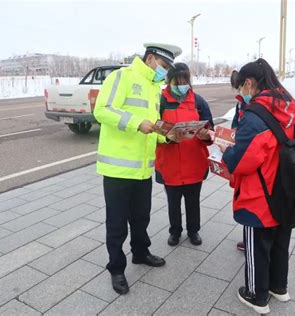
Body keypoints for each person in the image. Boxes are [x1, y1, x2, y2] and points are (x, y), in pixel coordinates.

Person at [219, 58, 295, 314]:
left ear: (249, 83)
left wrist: (225, 152)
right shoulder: (291, 106)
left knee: (257, 246)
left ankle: (256, 295)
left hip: (261, 193)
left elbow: (241, 159)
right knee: (280, 241)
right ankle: (279, 288)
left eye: (242, 87)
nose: (242, 93)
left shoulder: (256, 114)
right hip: (288, 188)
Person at [93, 43, 182, 295]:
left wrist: (167, 136)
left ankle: (141, 253)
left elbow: (150, 128)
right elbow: (101, 110)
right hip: (117, 170)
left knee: (142, 217)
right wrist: (135, 123)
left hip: (143, 169)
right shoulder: (121, 76)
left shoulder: (154, 88)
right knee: (117, 223)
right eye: (163, 67)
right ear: (151, 59)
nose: (164, 73)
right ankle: (116, 268)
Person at [155, 63, 214, 247]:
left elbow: (210, 130)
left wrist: (206, 135)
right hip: (169, 163)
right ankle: (175, 231)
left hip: (194, 162)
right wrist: (169, 136)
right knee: (173, 202)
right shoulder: (160, 102)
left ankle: (193, 230)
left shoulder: (198, 102)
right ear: (168, 81)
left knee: (193, 200)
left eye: (184, 81)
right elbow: (153, 131)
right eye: (177, 82)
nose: (181, 85)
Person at [230, 70, 247, 252]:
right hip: (241, 151)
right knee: (242, 197)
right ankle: (247, 236)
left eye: (240, 88)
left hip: (250, 157)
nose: (239, 92)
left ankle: (252, 239)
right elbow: (236, 122)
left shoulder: (258, 104)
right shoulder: (241, 102)